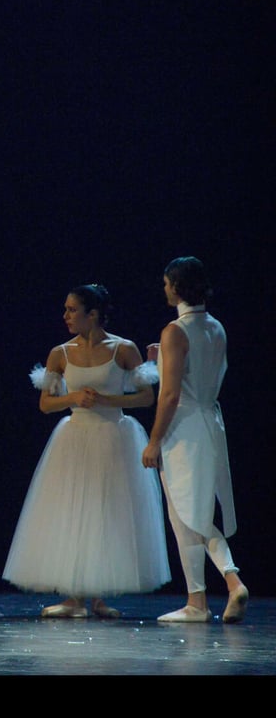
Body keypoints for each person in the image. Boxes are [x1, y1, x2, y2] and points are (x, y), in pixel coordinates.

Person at [2, 284, 170, 618]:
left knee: (107, 511)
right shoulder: (60, 353)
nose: (66, 316)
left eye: (72, 310)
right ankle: (73, 598)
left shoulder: (123, 349)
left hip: (114, 436)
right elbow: (46, 403)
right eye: (66, 309)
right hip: (75, 436)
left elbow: (146, 397)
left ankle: (99, 596)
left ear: (92, 314)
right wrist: (73, 398)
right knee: (73, 510)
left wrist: (106, 400)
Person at [141, 257, 248, 623]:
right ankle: (197, 600)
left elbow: (171, 394)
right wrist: (160, 357)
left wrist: (154, 441)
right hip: (209, 422)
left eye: (166, 283)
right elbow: (199, 373)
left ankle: (230, 582)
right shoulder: (215, 327)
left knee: (188, 512)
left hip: (183, 428)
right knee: (189, 513)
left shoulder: (175, 330)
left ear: (177, 286)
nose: (164, 289)